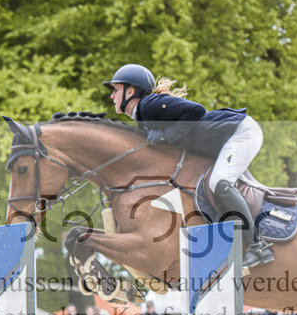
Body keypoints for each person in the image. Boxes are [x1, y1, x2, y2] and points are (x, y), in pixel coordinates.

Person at [104, 63, 273, 268]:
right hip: (222, 141)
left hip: (240, 132)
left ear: (131, 91)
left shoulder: (150, 104)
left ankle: (258, 246)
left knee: (219, 184)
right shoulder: (144, 117)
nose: (112, 96)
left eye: (116, 90)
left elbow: (195, 111)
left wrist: (166, 136)